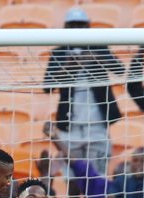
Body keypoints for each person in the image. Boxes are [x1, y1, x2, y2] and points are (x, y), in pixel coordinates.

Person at [43, 7, 125, 175]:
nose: (76, 29)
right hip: (69, 127)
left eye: (80, 25)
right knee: (71, 179)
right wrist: (70, 65)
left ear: (88, 26)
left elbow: (119, 69)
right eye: (73, 25)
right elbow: (47, 86)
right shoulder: (59, 53)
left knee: (98, 177)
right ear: (66, 27)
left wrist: (94, 55)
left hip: (97, 125)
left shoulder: (99, 47)